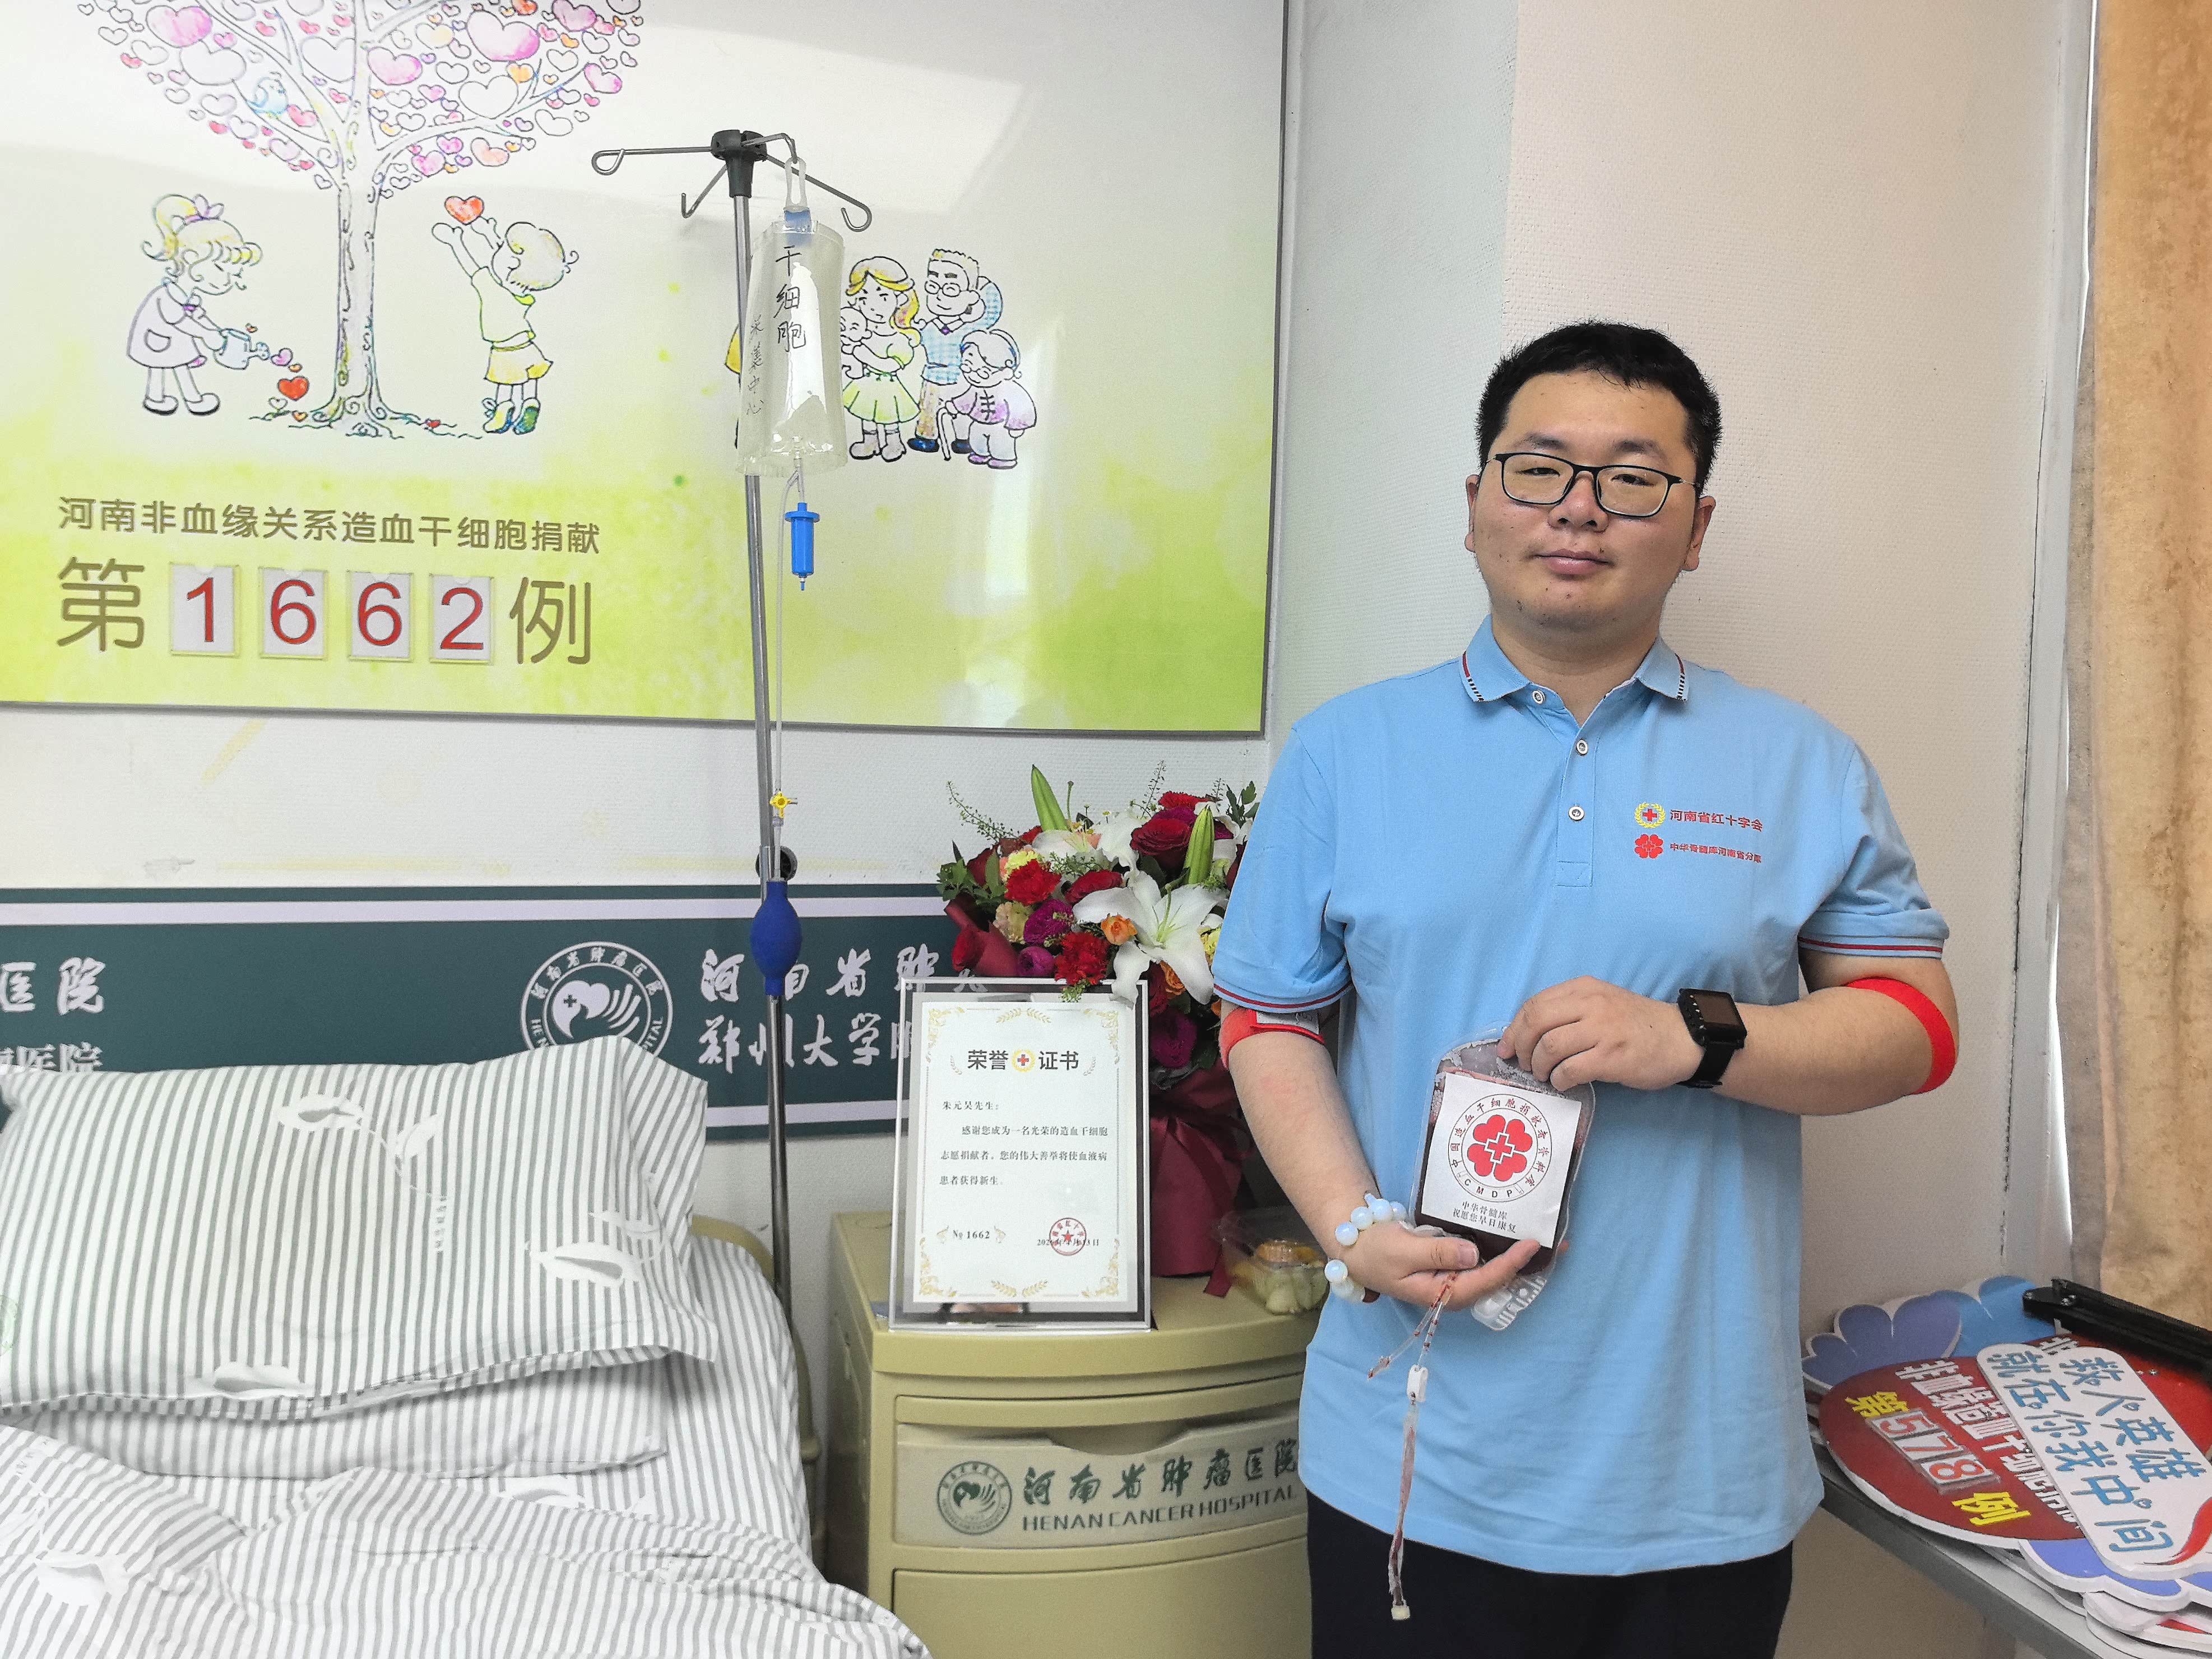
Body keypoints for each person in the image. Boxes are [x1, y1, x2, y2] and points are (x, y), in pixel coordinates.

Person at [1212, 321, 1957, 1659]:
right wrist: (1349, 1223)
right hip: (1410, 1449)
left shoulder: (1797, 761)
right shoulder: (1342, 750)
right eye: (1537, 466)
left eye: (1630, 477)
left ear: (1695, 525)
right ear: (1473, 502)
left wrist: (1694, 1035)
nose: (1575, 507)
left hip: (1694, 1472)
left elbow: (1913, 1028)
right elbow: (1268, 1016)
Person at [432, 212, 576, 435]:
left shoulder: (490, 287)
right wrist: (488, 234)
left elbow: (473, 266)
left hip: (504, 350)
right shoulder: (524, 295)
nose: (498, 250)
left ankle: (501, 416)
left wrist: (455, 242)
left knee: (505, 385)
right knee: (530, 379)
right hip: (527, 348)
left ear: (512, 263)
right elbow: (504, 260)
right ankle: (530, 404)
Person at [129, 193, 262, 416]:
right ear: (191, 259)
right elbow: (179, 320)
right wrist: (205, 334)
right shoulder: (168, 296)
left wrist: (216, 331)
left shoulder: (188, 297)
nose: (228, 281)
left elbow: (197, 315)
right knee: (166, 366)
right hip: (158, 339)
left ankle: (182, 399)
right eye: (221, 270)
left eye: (234, 274)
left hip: (173, 338)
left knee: (178, 363)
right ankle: (169, 399)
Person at [910, 247, 1002, 453]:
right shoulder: (929, 327)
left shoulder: (971, 328)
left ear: (971, 297)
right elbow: (913, 339)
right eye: (933, 286)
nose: (940, 296)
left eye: (951, 289)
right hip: (933, 378)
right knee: (928, 410)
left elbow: (992, 312)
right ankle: (926, 438)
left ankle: (963, 439)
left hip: (960, 377)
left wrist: (985, 285)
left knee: (962, 410)